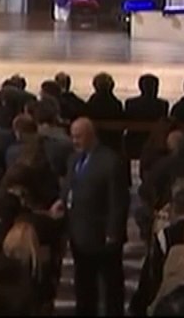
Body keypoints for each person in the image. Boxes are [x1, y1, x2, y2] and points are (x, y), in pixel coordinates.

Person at [56, 117, 128, 316]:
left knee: (111, 283)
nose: (74, 141)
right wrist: (62, 200)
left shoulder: (111, 161)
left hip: (103, 234)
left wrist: (113, 232)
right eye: (72, 137)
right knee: (84, 283)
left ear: (91, 135)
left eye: (78, 137)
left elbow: (119, 201)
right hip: (79, 232)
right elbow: (70, 185)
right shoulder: (73, 159)